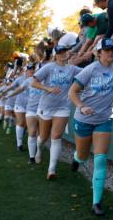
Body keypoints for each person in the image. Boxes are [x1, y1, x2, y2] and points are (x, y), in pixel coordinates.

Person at [68, 37, 113, 216]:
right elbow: (72, 92)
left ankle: (96, 202)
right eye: (107, 50)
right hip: (84, 119)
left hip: (104, 119)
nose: (111, 52)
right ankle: (77, 159)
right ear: (98, 52)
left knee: (100, 159)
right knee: (82, 154)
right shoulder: (90, 70)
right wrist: (81, 106)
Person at [33, 42, 82, 180]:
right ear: (56, 55)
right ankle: (39, 149)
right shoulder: (48, 67)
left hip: (62, 107)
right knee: (43, 137)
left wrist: (90, 57)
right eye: (60, 52)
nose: (63, 54)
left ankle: (51, 170)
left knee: (55, 137)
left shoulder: (72, 69)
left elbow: (87, 73)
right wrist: (48, 88)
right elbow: (34, 82)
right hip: (46, 107)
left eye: (65, 51)